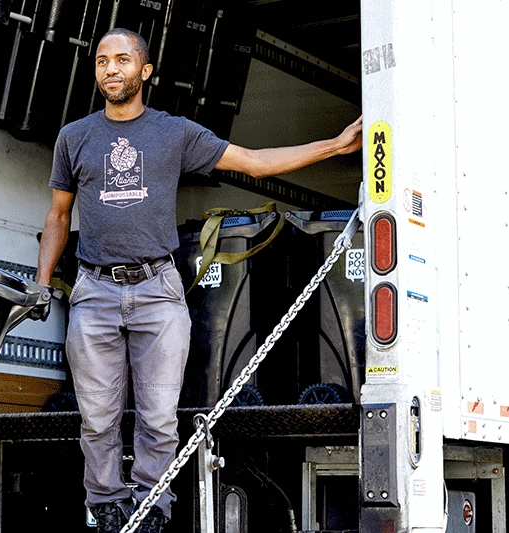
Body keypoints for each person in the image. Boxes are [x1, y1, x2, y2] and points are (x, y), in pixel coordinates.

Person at [33, 28, 362, 533]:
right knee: (96, 418)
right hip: (94, 291)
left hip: (158, 290)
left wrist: (334, 147)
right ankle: (105, 507)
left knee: (159, 418)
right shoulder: (74, 137)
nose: (111, 70)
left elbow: (252, 162)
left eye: (123, 60)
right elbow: (58, 215)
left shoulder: (175, 133)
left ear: (144, 71)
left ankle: (151, 510)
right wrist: (41, 281)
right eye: (102, 61)